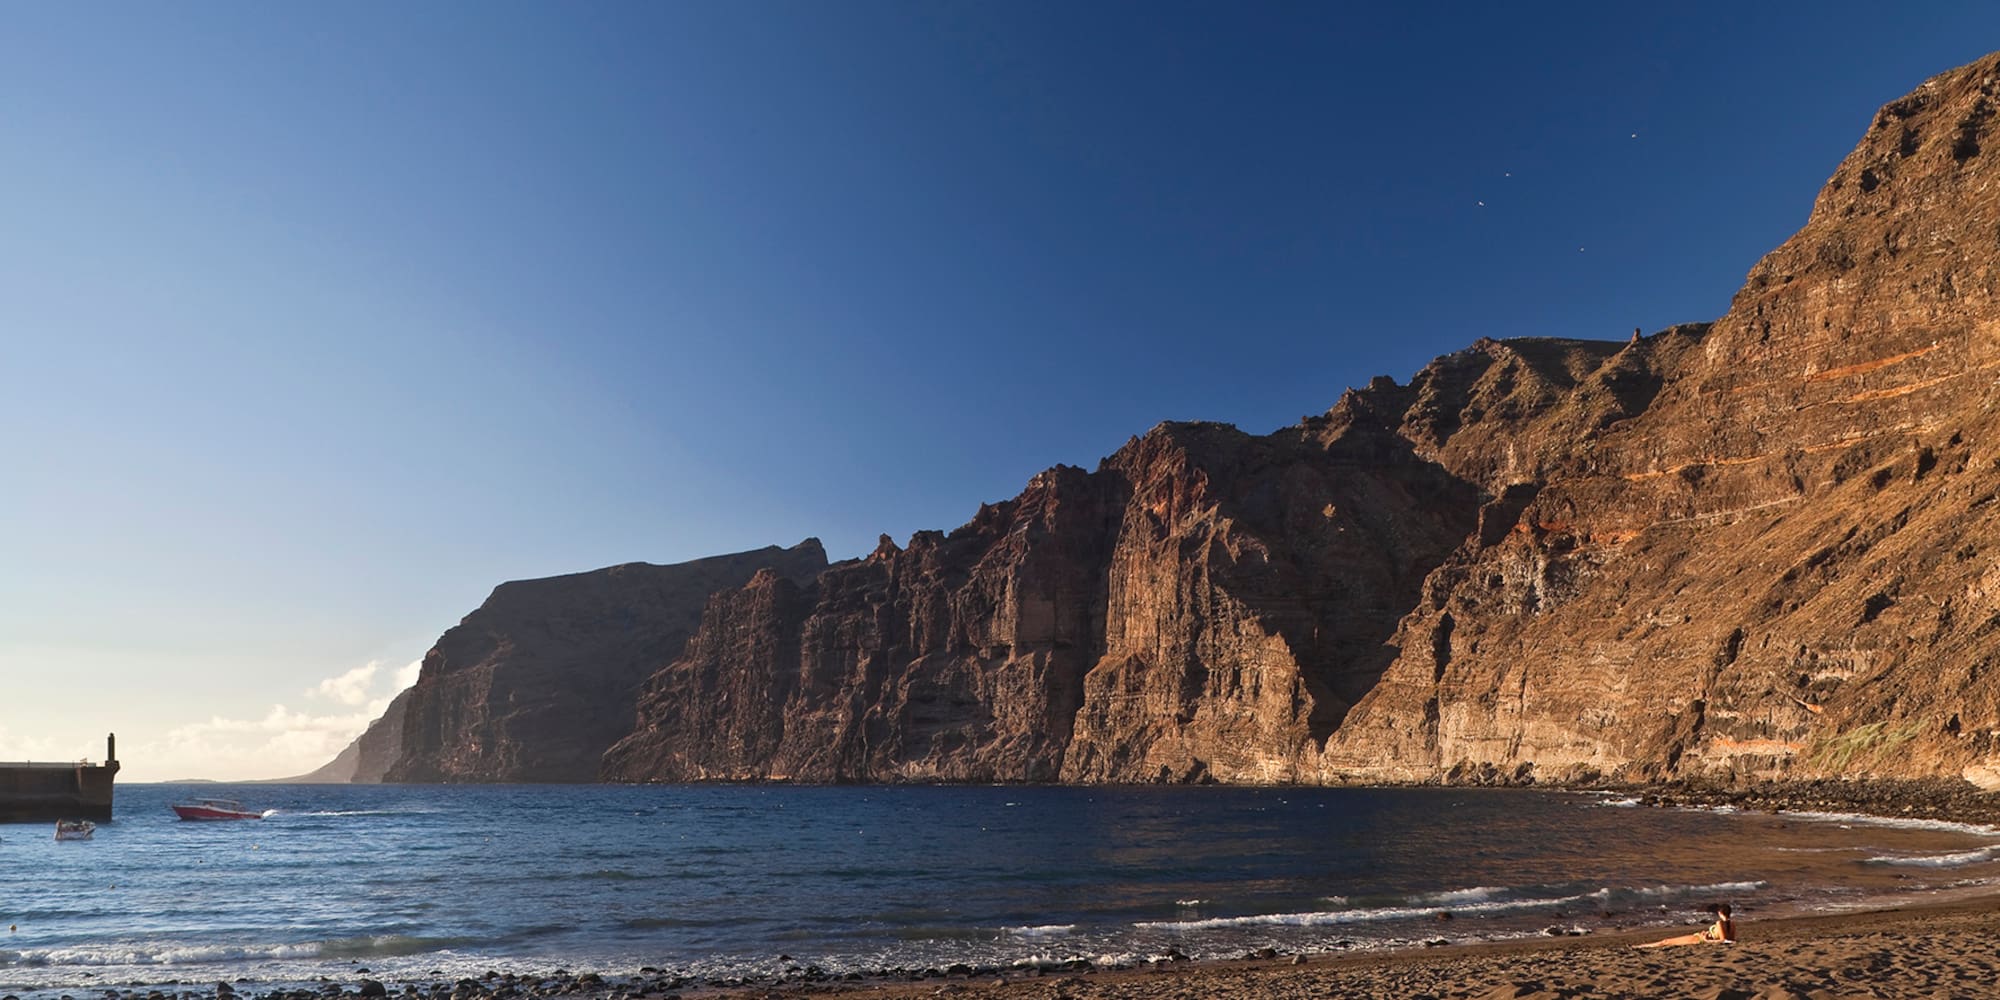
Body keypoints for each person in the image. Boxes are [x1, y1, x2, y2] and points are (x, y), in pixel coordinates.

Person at [1635, 903, 1734, 948]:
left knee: (1666, 942)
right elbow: (1730, 940)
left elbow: (1723, 940)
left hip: (1698, 939)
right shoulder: (1732, 924)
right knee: (1666, 942)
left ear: (1720, 913)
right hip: (1701, 937)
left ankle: (1640, 946)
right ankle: (1641, 946)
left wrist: (1706, 939)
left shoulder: (1720, 923)